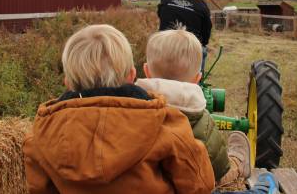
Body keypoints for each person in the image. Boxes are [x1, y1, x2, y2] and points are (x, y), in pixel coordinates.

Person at [23, 24, 215, 194]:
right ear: (132, 75)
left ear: (68, 83)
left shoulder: (40, 136)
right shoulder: (167, 123)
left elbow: (39, 188)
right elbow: (200, 186)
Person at [136, 28, 251, 187]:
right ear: (197, 78)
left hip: (146, 183)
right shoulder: (204, 122)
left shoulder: (133, 111)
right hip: (192, 186)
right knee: (224, 173)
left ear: (147, 71)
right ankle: (239, 164)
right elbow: (217, 169)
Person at [157, 0, 212, 73]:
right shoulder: (201, 6)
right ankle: (197, 81)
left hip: (164, 43)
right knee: (203, 50)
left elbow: (160, 14)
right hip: (189, 48)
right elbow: (206, 31)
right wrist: (203, 43)